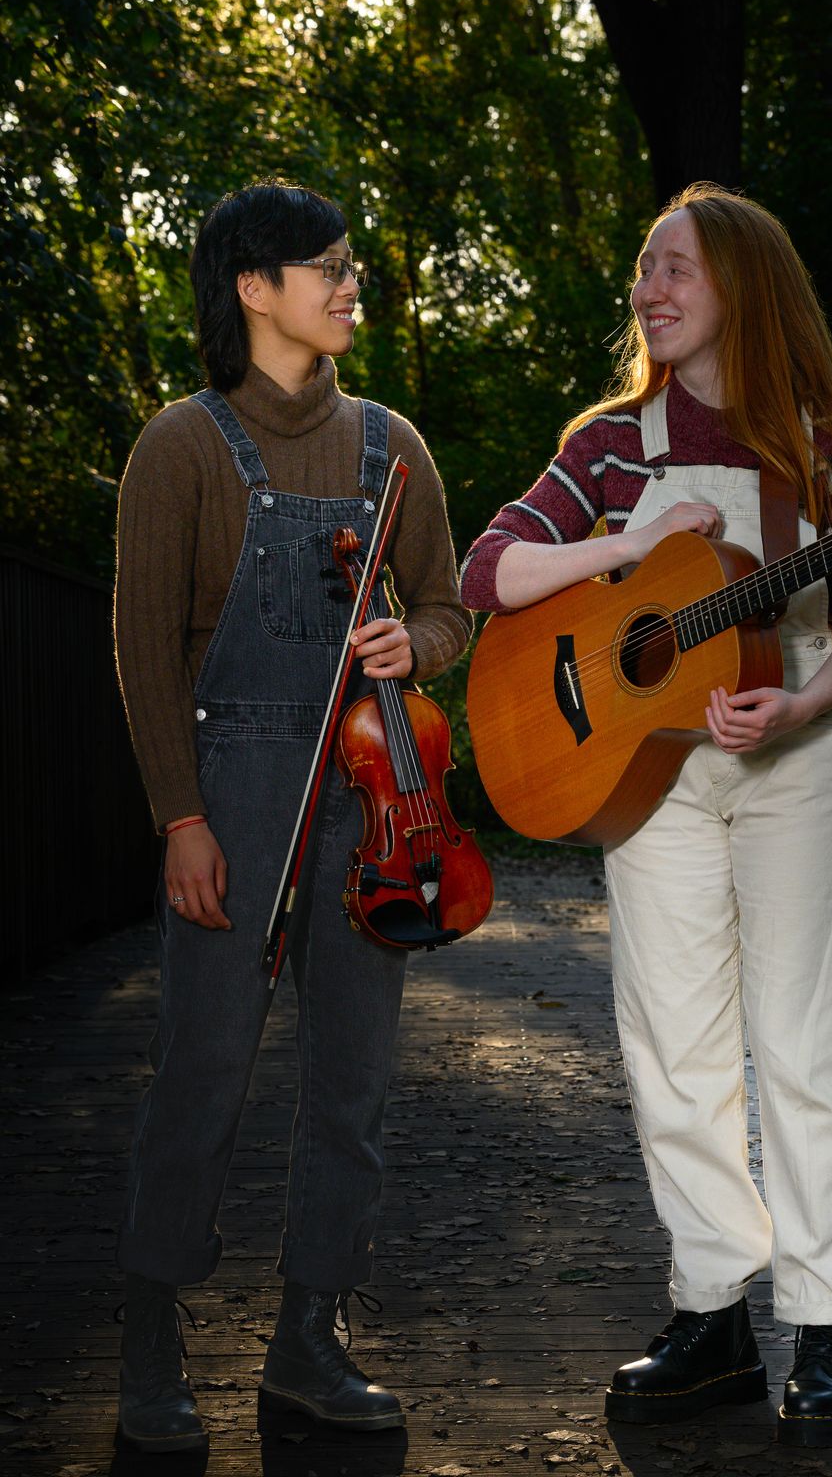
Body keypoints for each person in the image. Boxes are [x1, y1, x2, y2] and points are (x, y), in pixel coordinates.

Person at [460, 182, 832, 1447]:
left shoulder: (818, 441)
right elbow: (488, 571)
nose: (647, 290)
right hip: (649, 771)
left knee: (808, 1044)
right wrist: (624, 551)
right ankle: (711, 1316)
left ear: (740, 283)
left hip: (796, 760)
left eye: (673, 268)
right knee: (673, 1045)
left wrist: (802, 702)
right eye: (642, 269)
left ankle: (825, 1329)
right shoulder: (612, 444)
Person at [114, 181, 471, 1452]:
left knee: (352, 1080)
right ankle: (148, 1338)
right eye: (323, 264)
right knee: (203, 1069)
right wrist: (180, 818)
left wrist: (416, 644)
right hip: (234, 798)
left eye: (349, 260)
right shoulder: (179, 447)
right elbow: (142, 650)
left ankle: (307, 1340)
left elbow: (448, 606)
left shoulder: (391, 444)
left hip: (370, 806)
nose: (347, 280)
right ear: (253, 288)